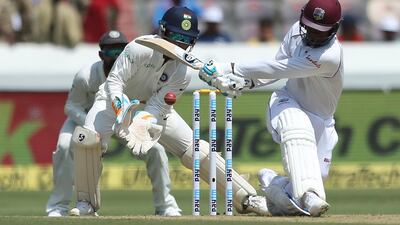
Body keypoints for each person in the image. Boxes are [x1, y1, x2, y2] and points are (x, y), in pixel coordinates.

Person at [70, 6, 270, 216]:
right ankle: (86, 204)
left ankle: (245, 198)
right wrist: (120, 107)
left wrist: (143, 123)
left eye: (186, 38)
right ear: (163, 30)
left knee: (195, 150)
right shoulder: (138, 47)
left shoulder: (182, 72)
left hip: (151, 107)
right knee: (87, 140)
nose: (179, 43)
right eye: (175, 36)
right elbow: (114, 82)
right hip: (112, 100)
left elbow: (159, 105)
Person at [198, 0, 343, 217]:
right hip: (287, 101)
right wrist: (247, 83)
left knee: (306, 186)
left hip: (322, 119)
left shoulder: (329, 56)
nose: (312, 35)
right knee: (297, 126)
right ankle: (308, 194)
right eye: (310, 28)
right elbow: (276, 70)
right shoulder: (295, 31)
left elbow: (280, 68)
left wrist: (229, 68)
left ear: (334, 29)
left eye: (319, 32)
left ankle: (273, 185)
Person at [46, 30, 181, 217]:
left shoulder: (135, 69)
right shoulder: (86, 75)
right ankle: (58, 206)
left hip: (122, 119)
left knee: (155, 150)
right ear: (101, 55)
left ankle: (165, 206)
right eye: (110, 52)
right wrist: (90, 128)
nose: (116, 56)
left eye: (120, 50)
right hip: (84, 119)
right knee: (64, 146)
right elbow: (71, 106)